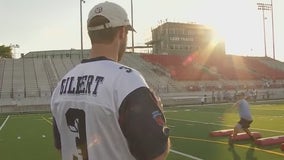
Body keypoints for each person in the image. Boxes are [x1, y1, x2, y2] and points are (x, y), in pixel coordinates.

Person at [50, 2, 170, 160]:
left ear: (90, 34)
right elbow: (156, 153)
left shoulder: (61, 85)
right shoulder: (126, 81)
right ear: (122, 32)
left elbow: (62, 147)